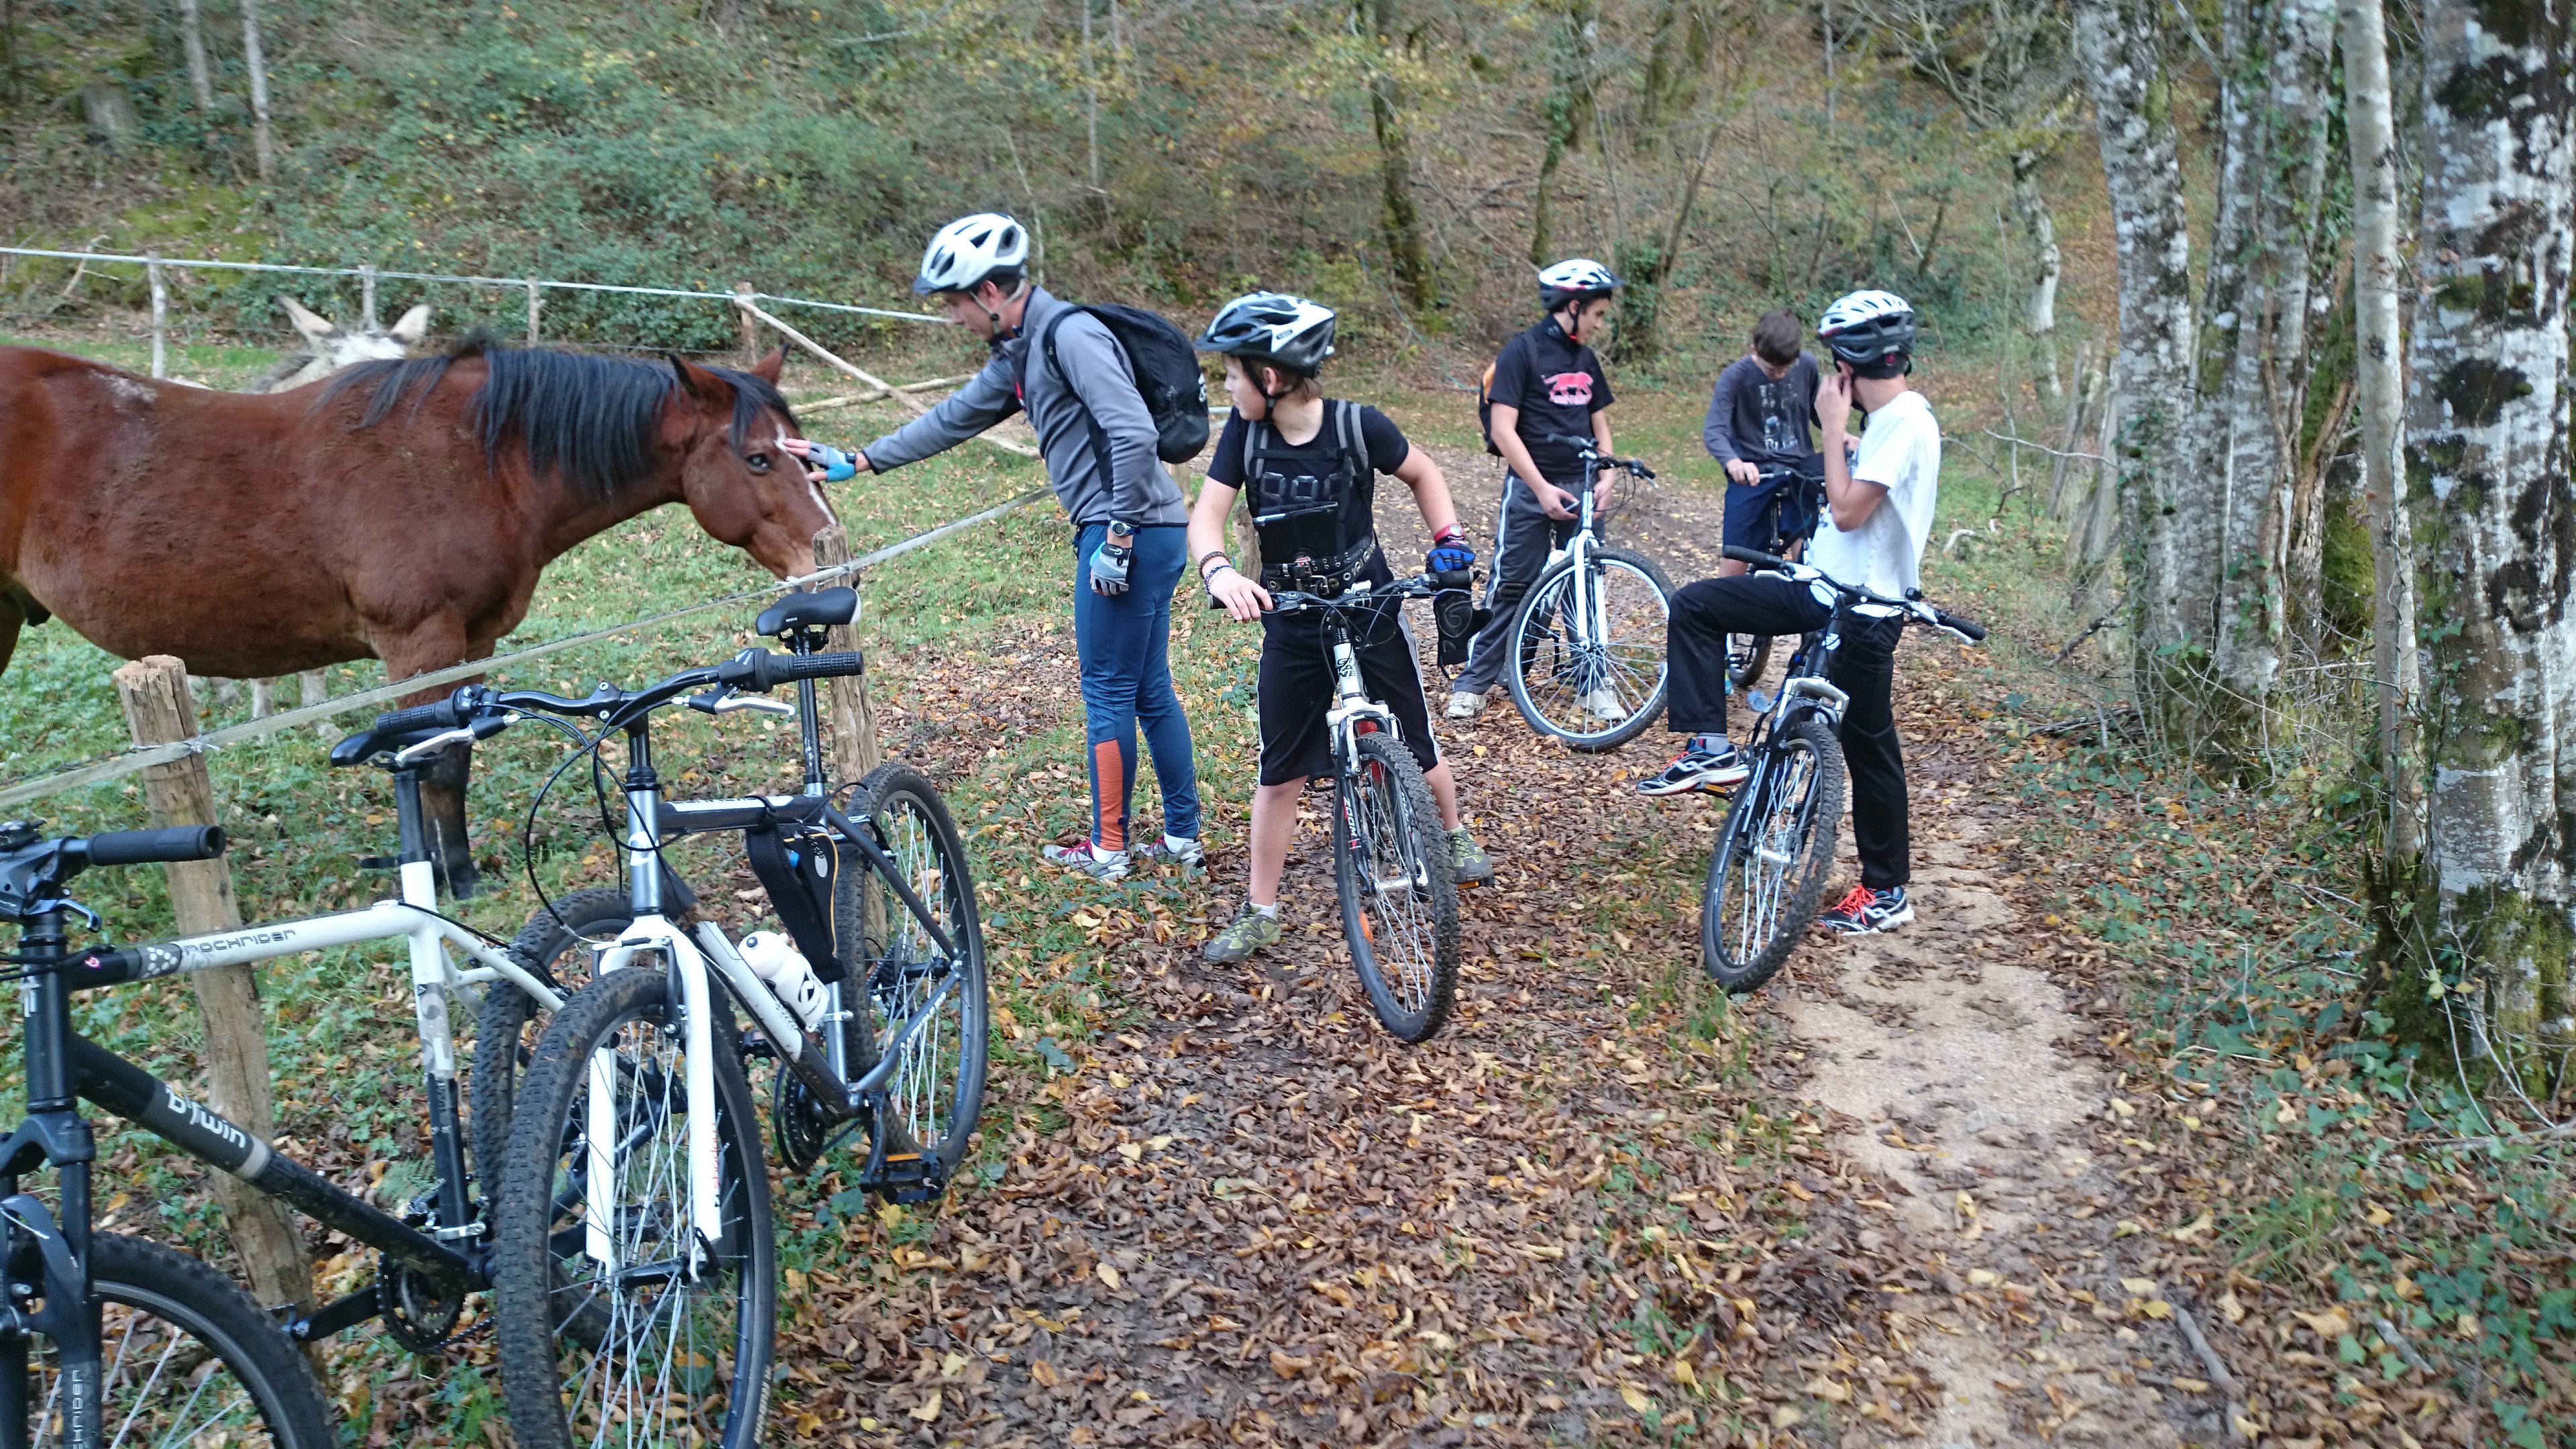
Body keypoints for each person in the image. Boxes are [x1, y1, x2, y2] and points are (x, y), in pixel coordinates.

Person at [782, 213, 1199, 883]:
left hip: (1129, 532)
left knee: (1110, 691)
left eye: (954, 303)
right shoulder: (1020, 353)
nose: (952, 318)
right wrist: (859, 460)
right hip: (1145, 528)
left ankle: (1110, 850)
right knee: (1147, 689)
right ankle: (1182, 838)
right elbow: (953, 418)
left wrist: (1117, 537)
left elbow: (1131, 434)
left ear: (991, 294)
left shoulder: (1071, 336)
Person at [1184, 292, 1496, 965]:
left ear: (1270, 378)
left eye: (1232, 374)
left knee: (1415, 740)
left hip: (1370, 605)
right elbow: (1206, 516)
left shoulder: (1359, 426)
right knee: (1279, 772)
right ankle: (1260, 909)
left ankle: (1452, 833)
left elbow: (1423, 472)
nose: (1227, 386)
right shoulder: (1245, 436)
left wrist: (1450, 541)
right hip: (1292, 618)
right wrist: (1219, 572)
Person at [1638, 290, 1939, 936]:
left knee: (1868, 748)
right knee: (1696, 607)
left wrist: (1831, 430)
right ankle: (1712, 749)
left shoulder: (1908, 422)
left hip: (1864, 611)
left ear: (1852, 365)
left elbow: (1850, 509)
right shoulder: (1891, 422)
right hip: (1824, 591)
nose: (1832, 379)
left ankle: (1886, 891)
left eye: (1836, 365)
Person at [1445, 258, 1621, 720]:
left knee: (1585, 586)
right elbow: (1504, 429)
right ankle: (1475, 682)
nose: (1600, 324)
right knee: (1510, 584)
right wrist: (1541, 488)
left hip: (1581, 485)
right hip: (1530, 489)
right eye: (1598, 314)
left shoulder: (1585, 358)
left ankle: (1591, 683)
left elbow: (1599, 421)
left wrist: (1607, 472)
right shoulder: (1521, 352)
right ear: (1574, 306)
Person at [1705, 309, 1825, 577]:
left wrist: (1838, 433)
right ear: (1754, 350)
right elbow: (1715, 430)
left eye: (1786, 368)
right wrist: (1733, 461)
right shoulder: (1734, 378)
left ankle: (1806, 594)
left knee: (1809, 546)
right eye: (1772, 369)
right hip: (1754, 471)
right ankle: (1723, 608)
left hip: (1798, 468)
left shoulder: (1807, 365)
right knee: (1736, 554)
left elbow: (1817, 412)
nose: (1780, 374)